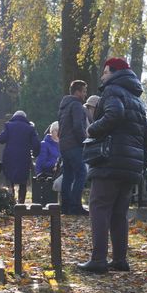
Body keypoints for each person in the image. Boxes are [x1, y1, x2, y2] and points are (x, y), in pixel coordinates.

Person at [77, 57, 147, 274]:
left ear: (112, 72)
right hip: (130, 167)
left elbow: (114, 114)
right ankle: (120, 259)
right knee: (119, 213)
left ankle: (98, 260)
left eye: (104, 72)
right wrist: (141, 164)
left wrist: (92, 130)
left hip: (109, 162)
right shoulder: (137, 100)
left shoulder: (112, 91)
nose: (102, 77)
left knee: (99, 207)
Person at [0, 111, 40, 204]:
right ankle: (21, 203)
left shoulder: (9, 126)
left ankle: (11, 201)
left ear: (14, 117)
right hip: (24, 158)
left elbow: (2, 139)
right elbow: (36, 144)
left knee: (10, 179)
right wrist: (35, 154)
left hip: (9, 157)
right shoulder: (30, 128)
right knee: (23, 182)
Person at [57, 80, 88, 215]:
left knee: (68, 175)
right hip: (74, 145)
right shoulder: (76, 105)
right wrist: (84, 141)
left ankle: (65, 206)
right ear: (77, 92)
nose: (85, 95)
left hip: (64, 145)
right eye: (84, 91)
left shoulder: (64, 106)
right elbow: (77, 126)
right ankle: (75, 205)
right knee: (81, 173)